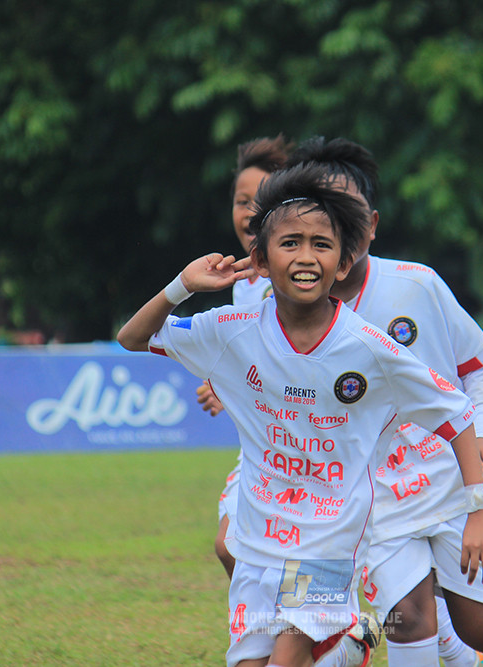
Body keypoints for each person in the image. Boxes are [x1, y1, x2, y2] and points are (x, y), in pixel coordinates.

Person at [117, 163, 483, 667]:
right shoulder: (232, 327)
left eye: (322, 244)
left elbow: (454, 412)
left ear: (342, 263)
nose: (305, 256)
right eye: (290, 242)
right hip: (256, 543)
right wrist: (182, 285)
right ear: (260, 259)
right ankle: (351, 642)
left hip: (328, 547)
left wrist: (479, 507)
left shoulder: (370, 348)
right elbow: (133, 338)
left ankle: (345, 637)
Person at [283, 137, 483, 666]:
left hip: (450, 480)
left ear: (373, 223)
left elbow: (481, 368)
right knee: (406, 616)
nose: (341, 231)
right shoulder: (287, 306)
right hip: (372, 500)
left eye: (352, 215)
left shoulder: (418, 286)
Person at [204, 135, 293, 580]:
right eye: (241, 200)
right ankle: (312, 636)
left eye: (261, 200)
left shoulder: (306, 279)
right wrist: (223, 386)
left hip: (317, 446)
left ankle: (326, 633)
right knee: (229, 546)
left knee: (397, 578)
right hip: (264, 448)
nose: (248, 211)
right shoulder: (240, 285)